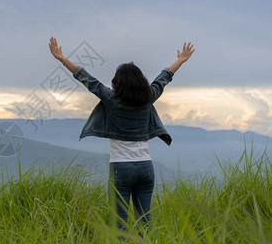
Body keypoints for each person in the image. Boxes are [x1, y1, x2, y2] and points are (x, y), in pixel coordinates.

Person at [48, 36, 195, 231]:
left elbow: (85, 77)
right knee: (145, 221)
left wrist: (61, 58)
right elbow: (164, 78)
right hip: (146, 167)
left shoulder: (111, 99)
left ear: (117, 82)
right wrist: (181, 60)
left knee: (120, 224)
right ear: (141, 81)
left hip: (120, 169)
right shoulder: (149, 98)